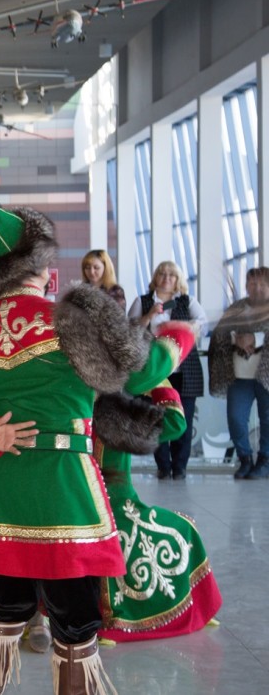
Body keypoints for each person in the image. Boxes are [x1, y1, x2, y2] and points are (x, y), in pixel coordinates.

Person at [0, 204, 195, 695]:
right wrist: (179, 339)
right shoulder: (70, 321)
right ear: (40, 265)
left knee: (4, 612)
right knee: (75, 624)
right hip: (66, 492)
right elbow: (139, 371)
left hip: (6, 495)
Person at [89, 387, 222, 642]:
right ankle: (199, 609)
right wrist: (160, 383)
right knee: (185, 526)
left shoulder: (68, 407)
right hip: (119, 509)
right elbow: (175, 424)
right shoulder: (116, 412)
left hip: (76, 505)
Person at [128, 260, 207, 479]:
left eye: (171, 275)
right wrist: (149, 316)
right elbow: (130, 330)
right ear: (155, 278)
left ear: (178, 279)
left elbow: (202, 323)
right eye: (162, 274)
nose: (166, 279)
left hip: (185, 370)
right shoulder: (142, 301)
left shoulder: (187, 301)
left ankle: (180, 467)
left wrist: (183, 327)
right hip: (155, 371)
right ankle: (163, 466)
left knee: (184, 417)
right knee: (156, 417)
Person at [208, 266, 269, 478]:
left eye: (262, 284)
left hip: (266, 377)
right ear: (246, 285)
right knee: (235, 418)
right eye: (253, 283)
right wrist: (237, 339)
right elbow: (219, 334)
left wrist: (256, 339)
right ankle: (244, 458)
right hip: (239, 374)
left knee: (267, 420)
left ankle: (265, 460)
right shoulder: (236, 308)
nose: (257, 288)